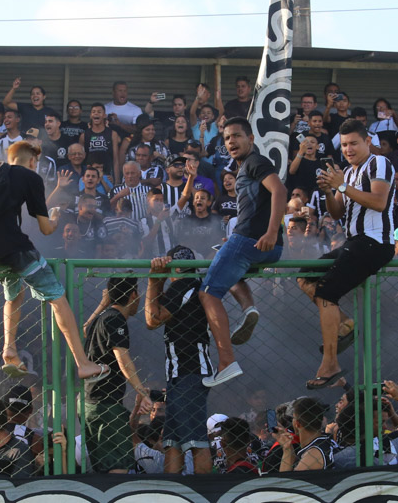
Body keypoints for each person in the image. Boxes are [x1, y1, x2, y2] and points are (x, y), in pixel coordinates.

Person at [0, 141, 109, 382]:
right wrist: (54, 218)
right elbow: (45, 229)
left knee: (14, 294)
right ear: (32, 160)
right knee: (57, 297)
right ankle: (83, 364)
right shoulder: (29, 176)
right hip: (14, 247)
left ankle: (9, 350)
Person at [299, 118, 395, 390]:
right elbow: (337, 212)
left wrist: (341, 186)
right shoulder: (349, 173)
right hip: (356, 241)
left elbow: (379, 201)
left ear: (368, 141)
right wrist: (330, 191)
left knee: (326, 291)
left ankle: (330, 364)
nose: (349, 148)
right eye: (344, 144)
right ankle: (345, 324)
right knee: (304, 277)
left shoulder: (379, 163)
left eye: (354, 142)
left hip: (375, 242)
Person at [197, 117, 287, 387]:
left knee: (208, 293)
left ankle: (226, 362)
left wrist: (271, 232)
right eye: (227, 138)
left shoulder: (255, 162)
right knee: (224, 261)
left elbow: (280, 191)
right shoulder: (245, 166)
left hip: (252, 240)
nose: (231, 141)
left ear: (251, 139)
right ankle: (248, 309)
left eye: (237, 136)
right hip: (264, 247)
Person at [145, 248, 213, 474]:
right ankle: (174, 493)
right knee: (172, 442)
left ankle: (204, 495)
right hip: (181, 373)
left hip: (189, 371)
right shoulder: (193, 285)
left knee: (196, 441)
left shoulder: (185, 285)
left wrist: (154, 279)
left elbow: (152, 319)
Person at [82, 276, 152, 473]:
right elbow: (123, 358)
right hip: (106, 406)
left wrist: (104, 304)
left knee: (102, 469)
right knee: (118, 469)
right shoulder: (114, 319)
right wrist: (142, 391)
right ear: (134, 295)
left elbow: (86, 328)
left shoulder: (101, 318)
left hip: (90, 403)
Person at [275, 397, 336, 471]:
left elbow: (286, 482)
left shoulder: (313, 454)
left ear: (297, 424)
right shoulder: (327, 440)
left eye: (293, 418)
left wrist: (287, 450)